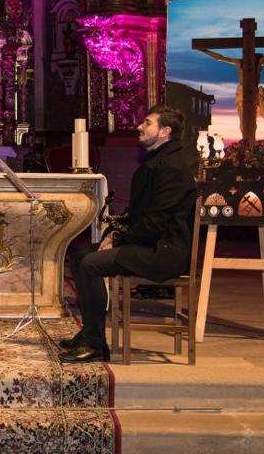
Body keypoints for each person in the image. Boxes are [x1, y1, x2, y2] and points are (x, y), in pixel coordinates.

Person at [59, 105, 197, 363]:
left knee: (90, 264)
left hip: (164, 251)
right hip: (148, 243)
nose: (139, 127)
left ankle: (95, 345)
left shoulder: (172, 169)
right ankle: (91, 334)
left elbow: (156, 222)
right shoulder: (156, 163)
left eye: (147, 123)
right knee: (80, 255)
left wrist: (118, 240)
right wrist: (113, 232)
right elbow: (137, 215)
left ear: (165, 131)